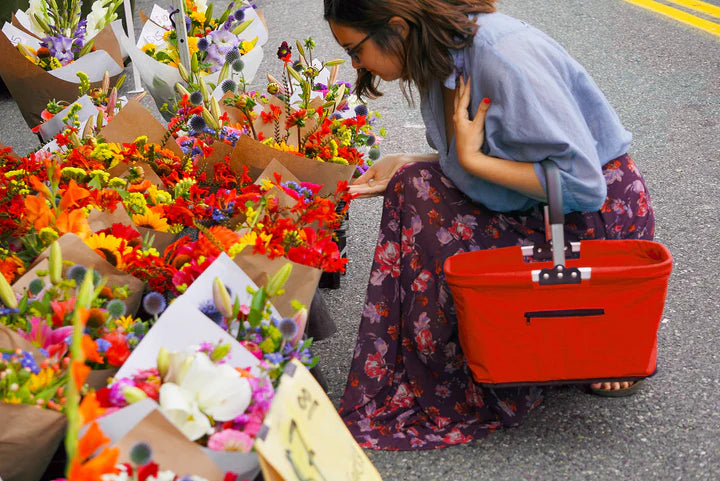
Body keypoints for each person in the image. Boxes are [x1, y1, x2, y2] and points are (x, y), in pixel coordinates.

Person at [324, 0, 655, 450]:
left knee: (420, 195)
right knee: (410, 182)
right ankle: (487, 353)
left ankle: (599, 338)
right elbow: (500, 154)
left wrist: (470, 158)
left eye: (354, 50)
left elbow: (581, 185)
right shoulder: (442, 51)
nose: (357, 64)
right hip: (534, 204)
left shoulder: (502, 57)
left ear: (397, 27)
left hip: (589, 225)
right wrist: (410, 160)